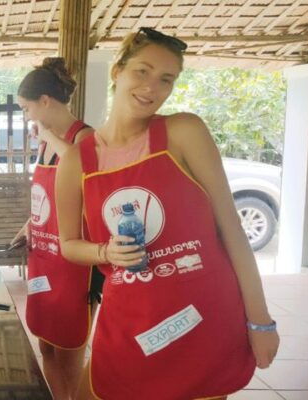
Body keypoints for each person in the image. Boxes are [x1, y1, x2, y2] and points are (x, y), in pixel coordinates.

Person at [55, 28, 279, 399]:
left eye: (166, 79)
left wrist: (261, 322)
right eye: (142, 71)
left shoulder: (183, 132)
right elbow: (69, 244)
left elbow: (232, 229)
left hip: (204, 316)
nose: (151, 87)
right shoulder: (77, 160)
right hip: (130, 318)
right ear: (118, 71)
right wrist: (105, 252)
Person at [10, 57, 99, 400]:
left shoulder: (85, 137)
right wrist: (30, 224)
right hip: (43, 256)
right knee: (46, 346)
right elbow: (49, 194)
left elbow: (84, 174)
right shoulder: (47, 142)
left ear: (45, 101)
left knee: (69, 349)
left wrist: (48, 135)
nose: (26, 116)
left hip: (72, 263)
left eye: (26, 108)